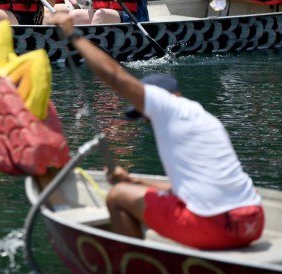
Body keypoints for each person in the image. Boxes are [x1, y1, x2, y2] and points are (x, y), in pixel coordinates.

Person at [57, 15, 264, 250]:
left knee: (117, 196)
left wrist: (72, 35)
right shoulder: (204, 118)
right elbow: (183, 191)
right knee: (130, 188)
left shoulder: (169, 108)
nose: (145, 120)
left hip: (214, 227)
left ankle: (134, 265)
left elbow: (114, 76)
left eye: (143, 111)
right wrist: (135, 180)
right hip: (252, 221)